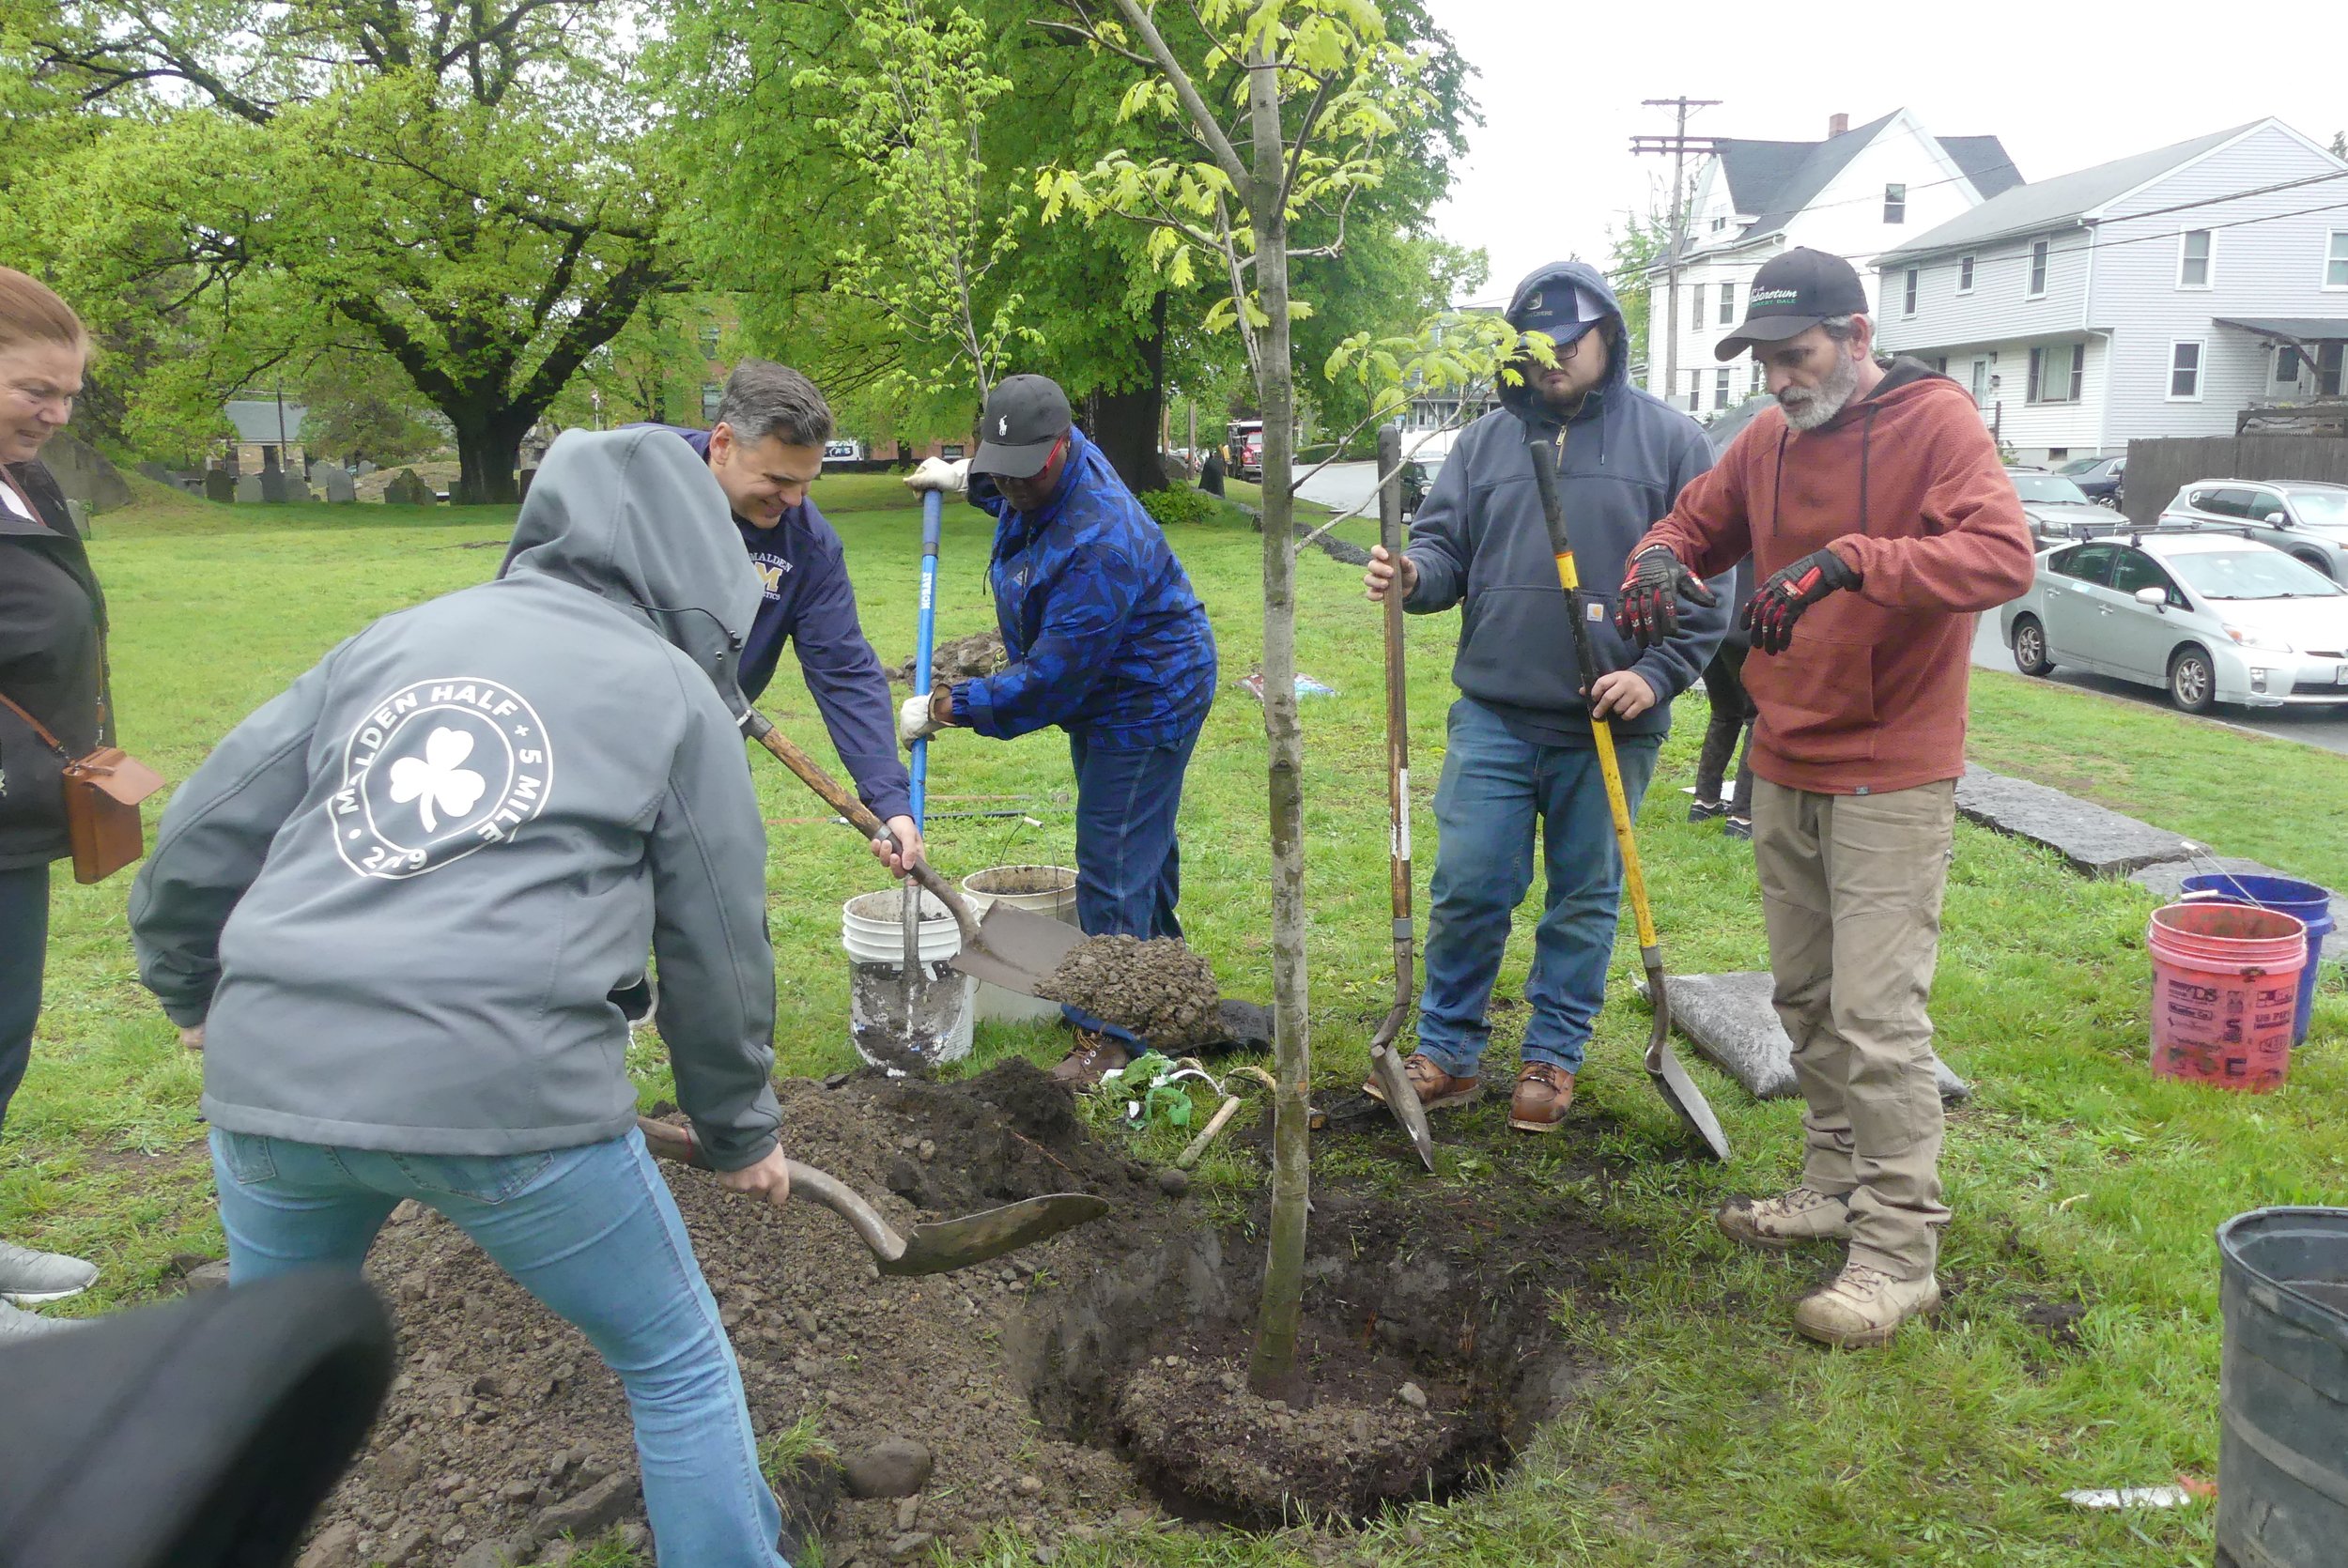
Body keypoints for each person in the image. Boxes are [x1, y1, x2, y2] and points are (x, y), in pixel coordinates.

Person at [129, 428, 796, 1566]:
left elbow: (198, 833)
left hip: (272, 1091)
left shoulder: (389, 643)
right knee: (675, 1361)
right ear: (692, 554)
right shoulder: (674, 693)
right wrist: (740, 1129)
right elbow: (718, 942)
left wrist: (194, 987)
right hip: (508, 1097)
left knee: (267, 1375)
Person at [1617, 246, 2033, 1348]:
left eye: (1794, 357)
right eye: (1761, 361)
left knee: (1878, 1014)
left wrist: (1854, 560)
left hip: (1893, 759)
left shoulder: (1935, 425)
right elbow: (1694, 523)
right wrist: (1658, 559)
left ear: (1855, 335)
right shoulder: (1766, 439)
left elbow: (2001, 558)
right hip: (1785, 749)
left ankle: (1899, 1251)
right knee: (1802, 993)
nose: (1777, 381)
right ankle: (1834, 1178)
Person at [1360, 261, 1725, 1131]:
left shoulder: (1672, 444)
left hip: (1609, 719)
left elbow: (1715, 581)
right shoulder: (1485, 445)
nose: (1552, 360)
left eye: (1570, 343)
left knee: (1585, 896)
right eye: (1535, 347)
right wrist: (1414, 574)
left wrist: (1655, 674)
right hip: (1494, 711)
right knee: (1471, 883)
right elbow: (1446, 552)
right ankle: (1448, 1049)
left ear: (1610, 339)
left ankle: (1552, 1057)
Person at [900, 375, 1217, 1087]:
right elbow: (1009, 484)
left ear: (1064, 447)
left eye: (1022, 474)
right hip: (1109, 687)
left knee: (1111, 861)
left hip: (1145, 696)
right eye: (996, 469)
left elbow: (1048, 680)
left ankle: (1111, 1041)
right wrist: (965, 480)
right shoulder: (1030, 466)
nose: (1010, 487)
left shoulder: (1101, 540)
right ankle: (1168, 987)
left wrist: (950, 706)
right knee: (1140, 844)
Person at [639, 360, 919, 877]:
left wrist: (889, 799)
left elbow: (845, 671)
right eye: (777, 479)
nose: (792, 499)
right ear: (722, 444)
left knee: (722, 908)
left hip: (705, 746)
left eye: (806, 483)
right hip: (593, 738)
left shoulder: (807, 546)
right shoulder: (632, 474)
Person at [0, 268, 111, 1340]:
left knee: (2, 1035)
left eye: (70, 394)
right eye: (37, 387)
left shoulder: (24, 482)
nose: (56, 413)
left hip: (15, 817)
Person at [1690, 559, 1757, 839]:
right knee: (1758, 718)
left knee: (1725, 712)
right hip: (1746, 626)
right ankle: (1742, 817)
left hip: (1715, 623)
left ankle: (1704, 802)